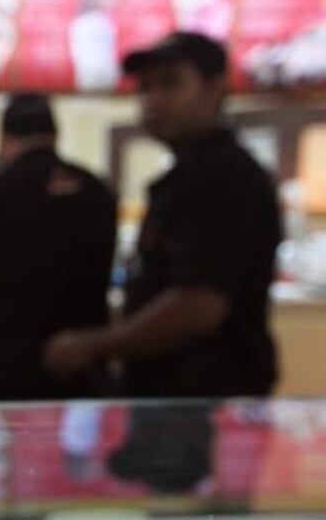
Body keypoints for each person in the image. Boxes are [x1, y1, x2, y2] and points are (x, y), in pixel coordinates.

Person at [44, 32, 281, 397]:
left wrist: (94, 344)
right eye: (145, 88)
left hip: (206, 407)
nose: (153, 100)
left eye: (170, 84)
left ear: (216, 87)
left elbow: (198, 307)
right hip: (176, 399)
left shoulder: (222, 176)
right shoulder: (188, 175)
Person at [0, 93, 117, 400]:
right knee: (83, 448)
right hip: (83, 362)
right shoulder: (97, 189)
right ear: (55, 134)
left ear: (4, 137)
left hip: (6, 366)